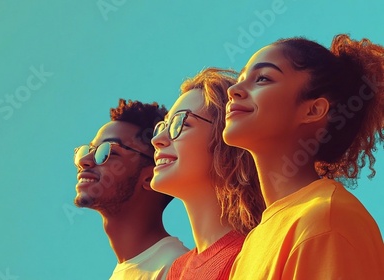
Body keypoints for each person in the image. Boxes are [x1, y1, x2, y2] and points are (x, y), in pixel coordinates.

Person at [224, 34, 384, 279]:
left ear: (313, 110)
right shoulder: (252, 244)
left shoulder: (327, 219)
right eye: (240, 79)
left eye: (263, 78)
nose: (234, 90)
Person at [151, 68, 265, 280]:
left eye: (180, 123)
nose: (157, 140)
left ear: (225, 138)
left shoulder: (254, 253)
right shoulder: (176, 270)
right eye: (163, 126)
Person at [74, 99, 189, 280]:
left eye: (107, 152)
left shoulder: (176, 268)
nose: (84, 161)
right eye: (88, 150)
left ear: (150, 177)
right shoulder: (126, 271)